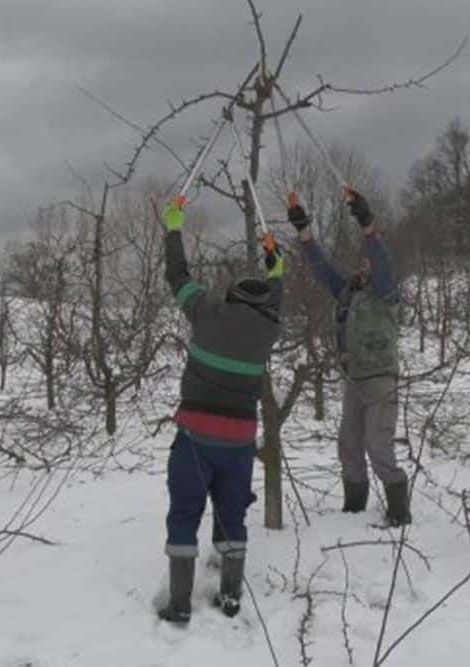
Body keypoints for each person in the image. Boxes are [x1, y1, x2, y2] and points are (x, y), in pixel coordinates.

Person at [157, 198, 283, 625]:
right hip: (239, 443)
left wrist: (174, 228)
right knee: (232, 515)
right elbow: (276, 294)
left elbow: (178, 276)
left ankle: (179, 602)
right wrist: (276, 265)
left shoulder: (206, 312)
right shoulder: (269, 329)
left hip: (195, 438)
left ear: (229, 297)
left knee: (184, 512)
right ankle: (230, 595)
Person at [288, 187, 410, 527]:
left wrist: (366, 223)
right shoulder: (346, 293)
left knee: (377, 444)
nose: (364, 265)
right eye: (362, 261)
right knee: (349, 445)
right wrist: (304, 231)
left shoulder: (386, 293)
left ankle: (399, 510)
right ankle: (354, 508)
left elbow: (381, 260)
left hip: (381, 379)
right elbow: (320, 267)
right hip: (354, 379)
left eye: (368, 261)